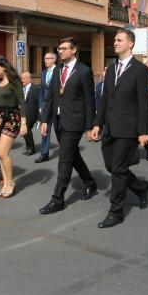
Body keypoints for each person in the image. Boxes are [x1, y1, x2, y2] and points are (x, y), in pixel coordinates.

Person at [90, 29, 148, 228]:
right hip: (109, 128)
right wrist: (97, 124)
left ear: (130, 43)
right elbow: (104, 100)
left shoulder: (140, 70)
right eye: (114, 40)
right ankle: (140, 187)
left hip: (128, 128)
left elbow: (144, 103)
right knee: (113, 167)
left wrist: (143, 131)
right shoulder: (111, 68)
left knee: (117, 169)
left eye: (119, 39)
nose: (114, 43)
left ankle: (116, 212)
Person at [39, 37, 98, 214]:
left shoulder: (84, 71)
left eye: (64, 48)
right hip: (58, 121)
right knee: (73, 155)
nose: (60, 51)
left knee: (64, 158)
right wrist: (44, 120)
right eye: (59, 49)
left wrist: (90, 126)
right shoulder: (56, 70)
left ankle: (57, 199)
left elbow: (90, 100)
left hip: (75, 122)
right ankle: (89, 182)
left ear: (74, 50)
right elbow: (51, 98)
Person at [0, 55, 27, 198]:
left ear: (3, 67)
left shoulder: (14, 81)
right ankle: (5, 182)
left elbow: (22, 102)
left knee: (2, 153)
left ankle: (11, 183)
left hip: (12, 118)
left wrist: (23, 124)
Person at [36, 52, 56, 163]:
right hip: (45, 106)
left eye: (48, 58)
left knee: (61, 131)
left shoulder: (59, 71)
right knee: (45, 130)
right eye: (45, 58)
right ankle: (44, 154)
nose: (46, 60)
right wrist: (40, 105)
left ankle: (67, 152)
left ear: (54, 60)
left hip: (57, 105)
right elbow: (42, 90)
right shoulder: (43, 73)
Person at [21, 71, 40, 156]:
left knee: (26, 129)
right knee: (25, 131)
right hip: (23, 114)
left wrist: (40, 117)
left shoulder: (35, 89)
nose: (22, 80)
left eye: (23, 78)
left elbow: (39, 103)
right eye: (21, 78)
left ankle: (31, 148)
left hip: (32, 113)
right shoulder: (21, 89)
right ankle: (30, 146)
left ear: (29, 79)